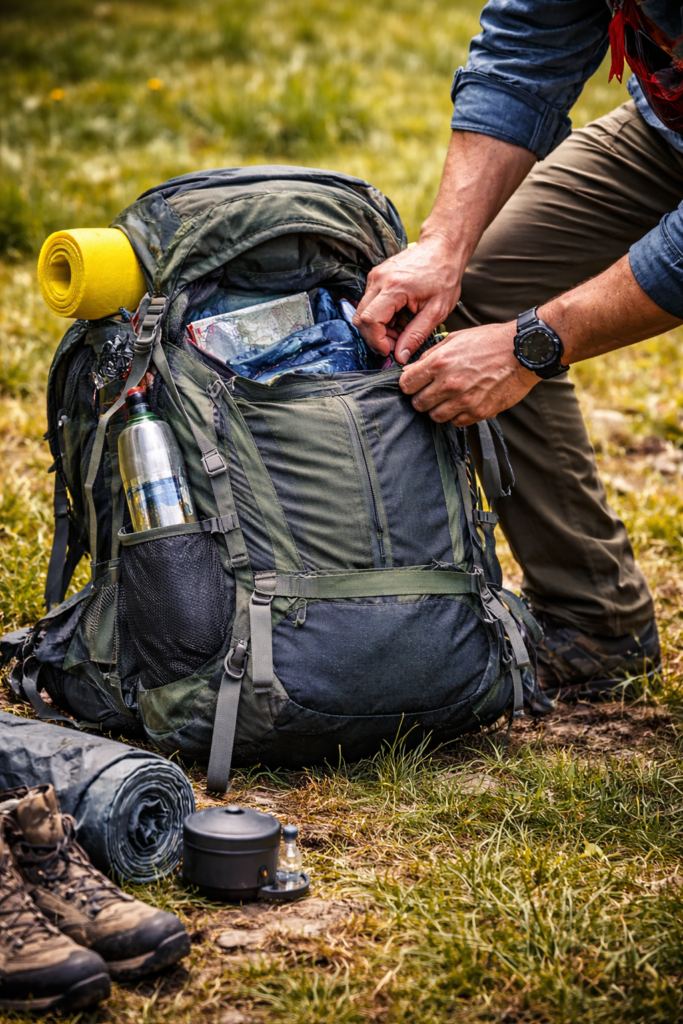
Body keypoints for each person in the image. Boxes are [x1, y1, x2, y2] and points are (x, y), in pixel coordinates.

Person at [354, 0, 683, 699]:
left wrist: (531, 345)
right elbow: (528, 45)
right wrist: (443, 245)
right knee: (483, 286)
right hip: (670, 129)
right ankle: (596, 625)